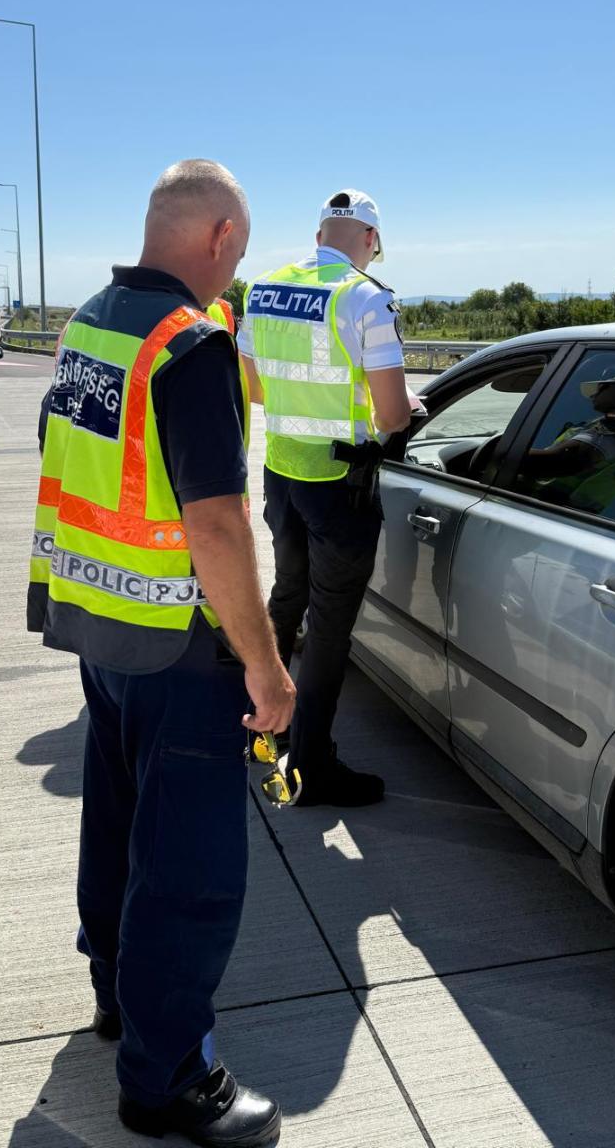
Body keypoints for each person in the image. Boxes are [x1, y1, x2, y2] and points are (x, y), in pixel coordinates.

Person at [28, 159, 295, 1148]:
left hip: (102, 631)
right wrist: (264, 665)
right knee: (188, 871)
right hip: (180, 649)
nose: (235, 269)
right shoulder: (191, 344)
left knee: (117, 826)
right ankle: (166, 1077)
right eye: (240, 250)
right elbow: (217, 525)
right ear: (220, 235)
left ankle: (117, 993)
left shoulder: (90, 324)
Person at [238, 190, 414, 808]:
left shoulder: (263, 289)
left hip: (282, 474)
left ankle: (262, 731)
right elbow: (392, 416)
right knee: (330, 629)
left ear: (318, 236)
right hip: (340, 485)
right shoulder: (366, 298)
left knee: (286, 597)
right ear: (371, 240)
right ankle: (311, 769)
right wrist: (393, 407)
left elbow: (255, 389)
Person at [520, 370, 615, 512]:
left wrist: (509, 450)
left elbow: (560, 463)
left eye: (602, 388)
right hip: (573, 512)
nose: (593, 395)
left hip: (549, 508)